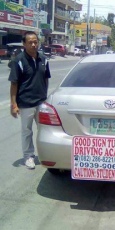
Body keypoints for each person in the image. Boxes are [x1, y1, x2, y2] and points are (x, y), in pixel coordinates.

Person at [8, 31, 51, 169]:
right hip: (25, 103)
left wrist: (45, 97)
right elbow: (14, 83)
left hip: (41, 102)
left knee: (44, 130)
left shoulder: (44, 59)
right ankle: (28, 156)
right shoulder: (18, 61)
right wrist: (13, 104)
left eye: (35, 42)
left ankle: (44, 154)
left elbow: (46, 79)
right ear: (24, 44)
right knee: (27, 131)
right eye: (30, 42)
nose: (33, 44)